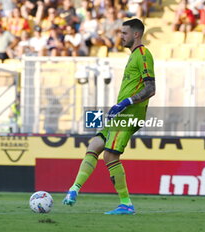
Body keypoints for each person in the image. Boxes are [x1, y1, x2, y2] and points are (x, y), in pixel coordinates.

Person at [62, 18, 156, 215]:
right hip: (121, 111)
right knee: (95, 144)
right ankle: (73, 190)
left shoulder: (144, 55)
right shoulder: (132, 56)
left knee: (110, 155)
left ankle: (126, 204)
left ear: (136, 34)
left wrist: (126, 102)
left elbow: (150, 88)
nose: (121, 36)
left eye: (124, 33)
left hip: (131, 113)